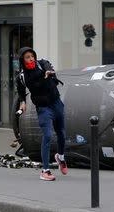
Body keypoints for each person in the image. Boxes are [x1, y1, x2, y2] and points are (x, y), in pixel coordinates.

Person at [16, 47, 67, 181]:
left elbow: (48, 66)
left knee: (61, 132)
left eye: (32, 56)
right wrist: (22, 101)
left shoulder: (42, 63)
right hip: (43, 108)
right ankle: (45, 171)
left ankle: (60, 157)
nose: (31, 59)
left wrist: (49, 72)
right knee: (48, 135)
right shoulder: (23, 76)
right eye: (27, 57)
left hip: (56, 103)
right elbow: (29, 87)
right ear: (23, 60)